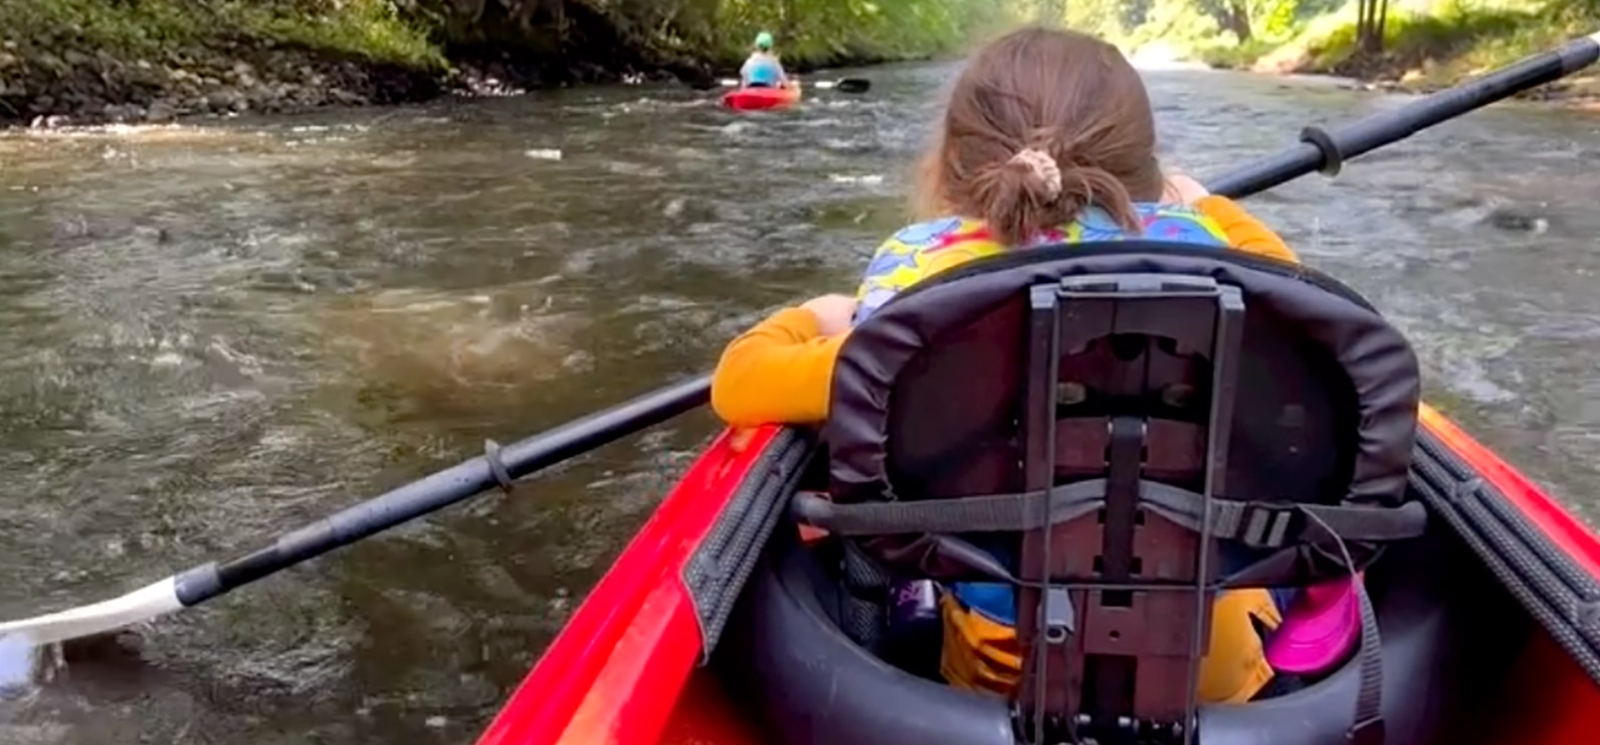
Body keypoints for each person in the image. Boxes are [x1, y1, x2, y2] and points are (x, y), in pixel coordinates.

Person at [710, 26, 1358, 705]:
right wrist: (1206, 206)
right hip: (1213, 674)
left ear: (953, 168)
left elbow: (740, 381)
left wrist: (820, 315)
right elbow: (1319, 315)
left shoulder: (915, 294)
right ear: (1150, 171)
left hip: (1001, 677)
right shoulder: (1219, 260)